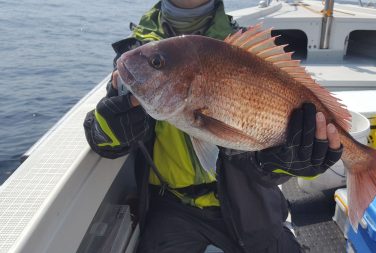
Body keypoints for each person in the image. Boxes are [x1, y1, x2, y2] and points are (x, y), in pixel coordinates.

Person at [83, 0, 343, 252]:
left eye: (157, 64)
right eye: (158, 64)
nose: (153, 64)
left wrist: (296, 161)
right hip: (172, 207)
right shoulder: (138, 53)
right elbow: (103, 141)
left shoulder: (244, 46)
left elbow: (271, 167)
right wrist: (110, 126)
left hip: (251, 201)